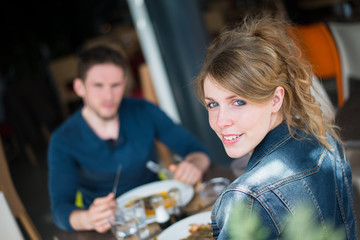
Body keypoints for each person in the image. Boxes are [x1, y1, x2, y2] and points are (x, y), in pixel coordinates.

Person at [195, 13, 357, 240]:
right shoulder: (325, 140)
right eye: (213, 104)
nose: (221, 121)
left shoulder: (248, 198)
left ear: (275, 99)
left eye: (238, 102)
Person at [48, 45, 210, 233]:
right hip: (111, 227)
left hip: (161, 210)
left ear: (124, 84)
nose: (109, 96)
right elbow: (60, 208)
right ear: (79, 87)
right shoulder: (63, 140)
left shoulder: (144, 111)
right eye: (98, 86)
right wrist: (88, 218)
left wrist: (194, 165)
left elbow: (197, 150)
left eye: (115, 85)